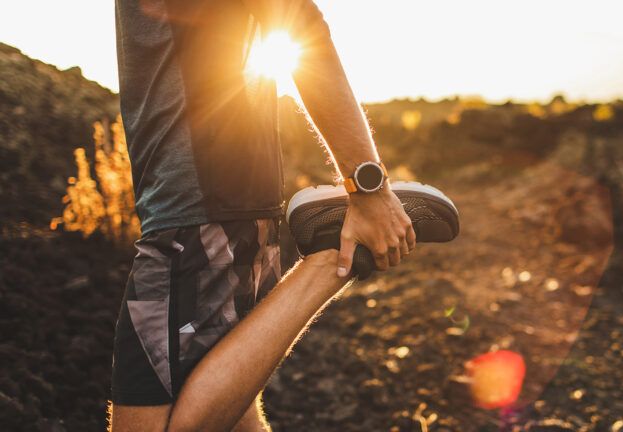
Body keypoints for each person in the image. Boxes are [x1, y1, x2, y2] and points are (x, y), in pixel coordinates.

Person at [110, 0, 458, 430]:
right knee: (235, 417)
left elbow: (297, 19)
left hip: (198, 205)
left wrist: (368, 187)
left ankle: (330, 259)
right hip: (211, 201)